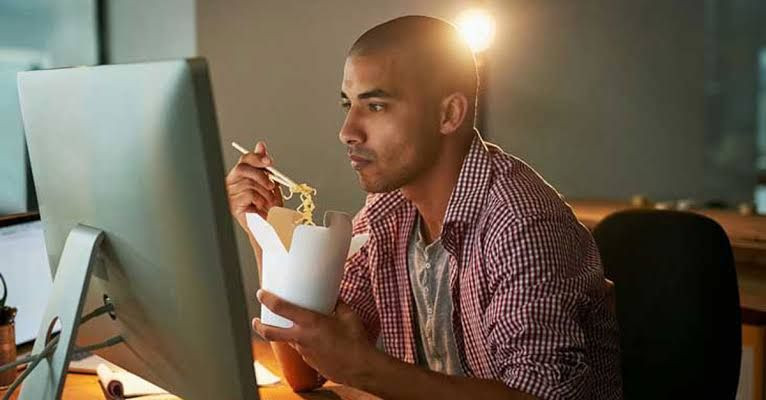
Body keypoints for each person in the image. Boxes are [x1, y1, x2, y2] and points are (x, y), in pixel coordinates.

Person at [226, 15, 622, 400]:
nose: (347, 131)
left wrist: (364, 368)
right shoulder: (387, 213)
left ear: (448, 114)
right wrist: (269, 234)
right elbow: (307, 374)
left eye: (376, 106)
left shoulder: (522, 224)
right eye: (348, 104)